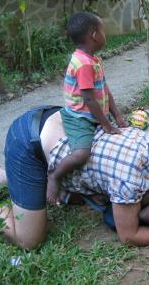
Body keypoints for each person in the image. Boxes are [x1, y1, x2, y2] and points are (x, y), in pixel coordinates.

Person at [0, 106, 149, 249]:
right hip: (28, 142)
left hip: (56, 120)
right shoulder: (130, 179)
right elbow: (128, 236)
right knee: (29, 240)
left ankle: (4, 177)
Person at [47, 12, 127, 205]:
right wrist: (107, 125)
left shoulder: (94, 60)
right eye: (103, 31)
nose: (104, 35)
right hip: (79, 118)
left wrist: (117, 115)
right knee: (81, 155)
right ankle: (55, 177)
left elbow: (104, 89)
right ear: (94, 34)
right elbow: (89, 99)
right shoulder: (83, 64)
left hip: (94, 112)